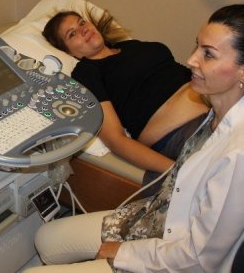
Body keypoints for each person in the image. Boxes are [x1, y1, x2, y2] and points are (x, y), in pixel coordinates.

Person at [26, 3, 244, 272]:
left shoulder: (237, 157)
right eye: (197, 46)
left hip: (176, 253)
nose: (191, 60)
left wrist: (122, 252)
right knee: (45, 239)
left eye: (208, 54)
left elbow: (198, 259)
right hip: (163, 213)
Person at [43, 9, 209, 173]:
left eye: (82, 23)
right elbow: (115, 140)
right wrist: (178, 172)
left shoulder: (129, 46)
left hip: (216, 111)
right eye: (72, 34)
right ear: (68, 52)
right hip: (184, 133)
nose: (83, 29)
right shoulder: (86, 73)